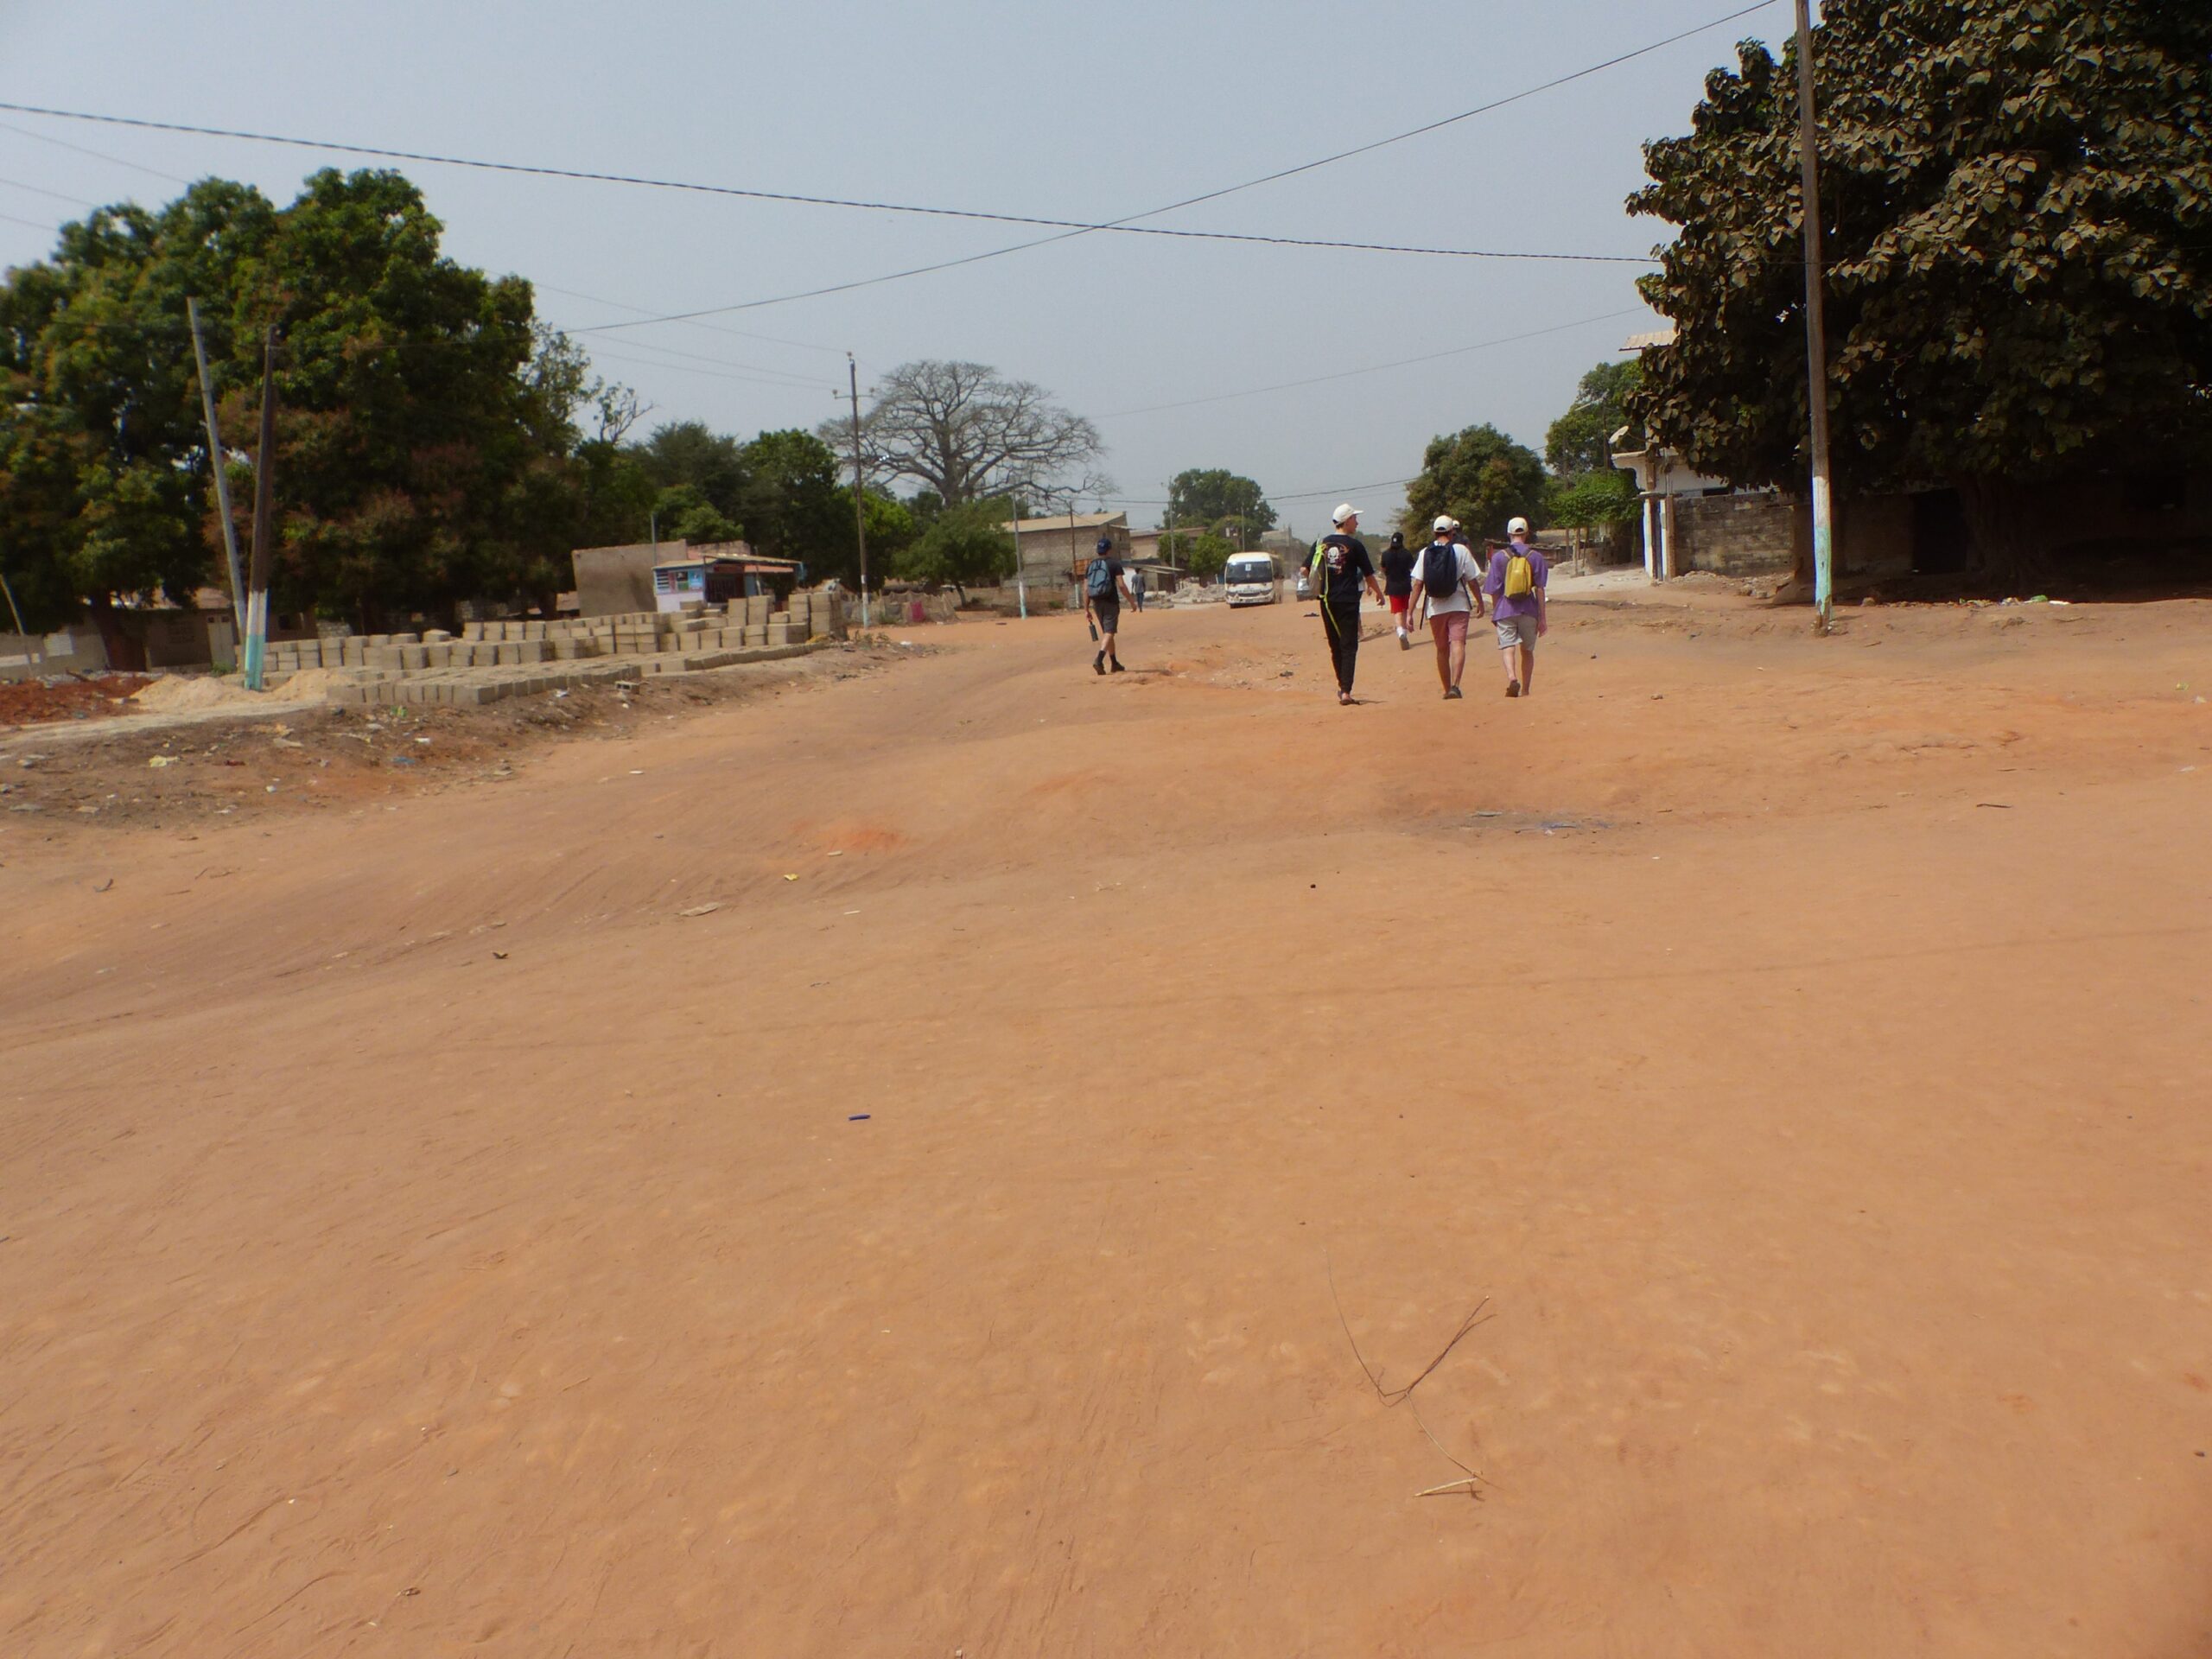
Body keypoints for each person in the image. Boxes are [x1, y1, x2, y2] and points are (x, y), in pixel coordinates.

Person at [1309, 504, 1382, 705]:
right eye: (1355, 519)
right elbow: (1369, 574)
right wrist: (1379, 593)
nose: (1357, 523)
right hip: (1348, 601)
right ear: (1347, 520)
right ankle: (1346, 691)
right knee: (1349, 645)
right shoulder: (1355, 545)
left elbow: (1305, 570)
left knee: (1335, 645)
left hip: (1327, 601)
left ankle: (1342, 686)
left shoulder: (1321, 543)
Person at [1405, 515, 1485, 699]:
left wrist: (1409, 612)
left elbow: (1418, 584)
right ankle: (1455, 686)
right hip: (1459, 605)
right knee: (1458, 643)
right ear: (1452, 532)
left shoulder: (1425, 553)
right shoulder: (1461, 550)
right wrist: (1480, 602)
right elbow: (1472, 581)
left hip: (1435, 608)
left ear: (1434, 532)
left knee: (1442, 649)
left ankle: (1446, 688)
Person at [1481, 516, 1549, 697]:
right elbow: (1540, 589)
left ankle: (1512, 677)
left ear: (1509, 534)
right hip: (1529, 610)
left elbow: (1494, 590)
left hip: (1505, 609)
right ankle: (1526, 689)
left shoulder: (1498, 558)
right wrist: (1542, 618)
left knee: (1507, 647)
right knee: (1527, 651)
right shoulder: (1536, 557)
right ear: (1526, 533)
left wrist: (1496, 612)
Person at [1083, 535, 1135, 675]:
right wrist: (1132, 602)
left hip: (1097, 603)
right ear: (1109, 549)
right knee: (1110, 632)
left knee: (1108, 632)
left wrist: (1086, 609)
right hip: (1111, 602)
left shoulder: (1090, 566)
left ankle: (1114, 663)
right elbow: (1122, 585)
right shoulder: (1114, 564)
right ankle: (1099, 660)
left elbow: (1086, 589)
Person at [1379, 530, 1416, 650]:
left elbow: (1383, 568)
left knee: (1397, 611)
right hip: (1405, 585)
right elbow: (1412, 568)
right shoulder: (1407, 553)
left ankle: (1400, 633)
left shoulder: (1386, 554)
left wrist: (1388, 575)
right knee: (1404, 609)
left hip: (1392, 585)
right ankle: (1404, 633)